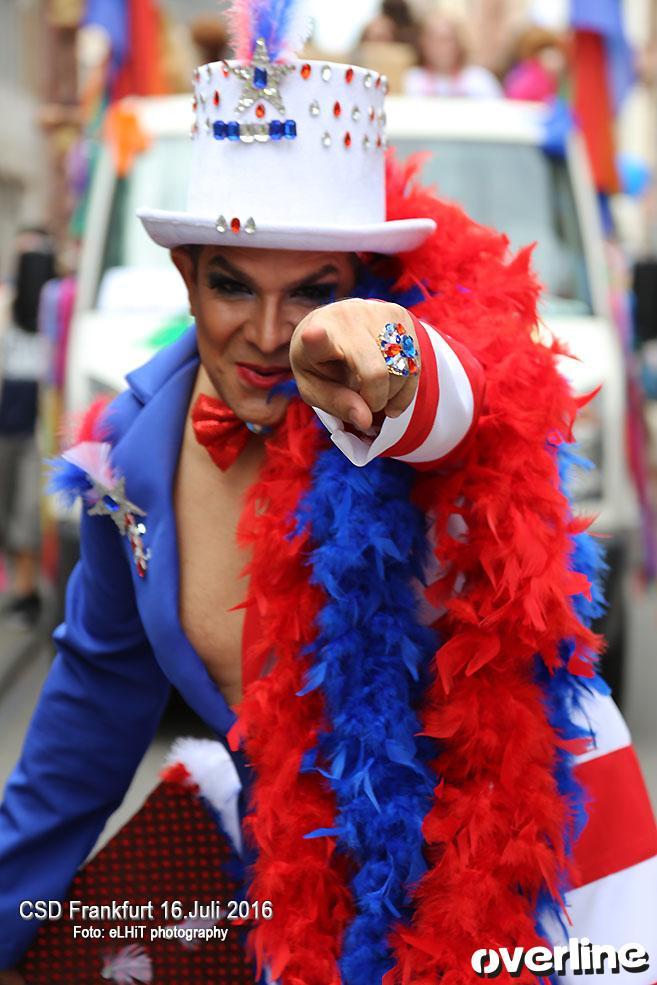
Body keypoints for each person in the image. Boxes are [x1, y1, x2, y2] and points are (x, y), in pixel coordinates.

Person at [1, 3, 656, 983]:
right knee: (84, 954)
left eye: (308, 289)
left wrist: (375, 353)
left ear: (368, 278)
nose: (269, 334)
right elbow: (85, 725)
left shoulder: (402, 389)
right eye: (233, 285)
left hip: (529, 853)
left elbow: (452, 399)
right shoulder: (130, 468)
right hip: (297, 882)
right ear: (184, 276)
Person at [0, 232, 54, 629]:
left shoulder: (54, 310)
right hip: (7, 426)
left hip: (34, 431)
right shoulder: (7, 306)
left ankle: (26, 592)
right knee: (10, 513)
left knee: (27, 515)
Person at [404, 8, 503, 99]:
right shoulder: (412, 79)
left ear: (459, 42)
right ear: (423, 43)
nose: (439, 46)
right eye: (433, 39)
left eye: (446, 39)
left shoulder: (479, 79)